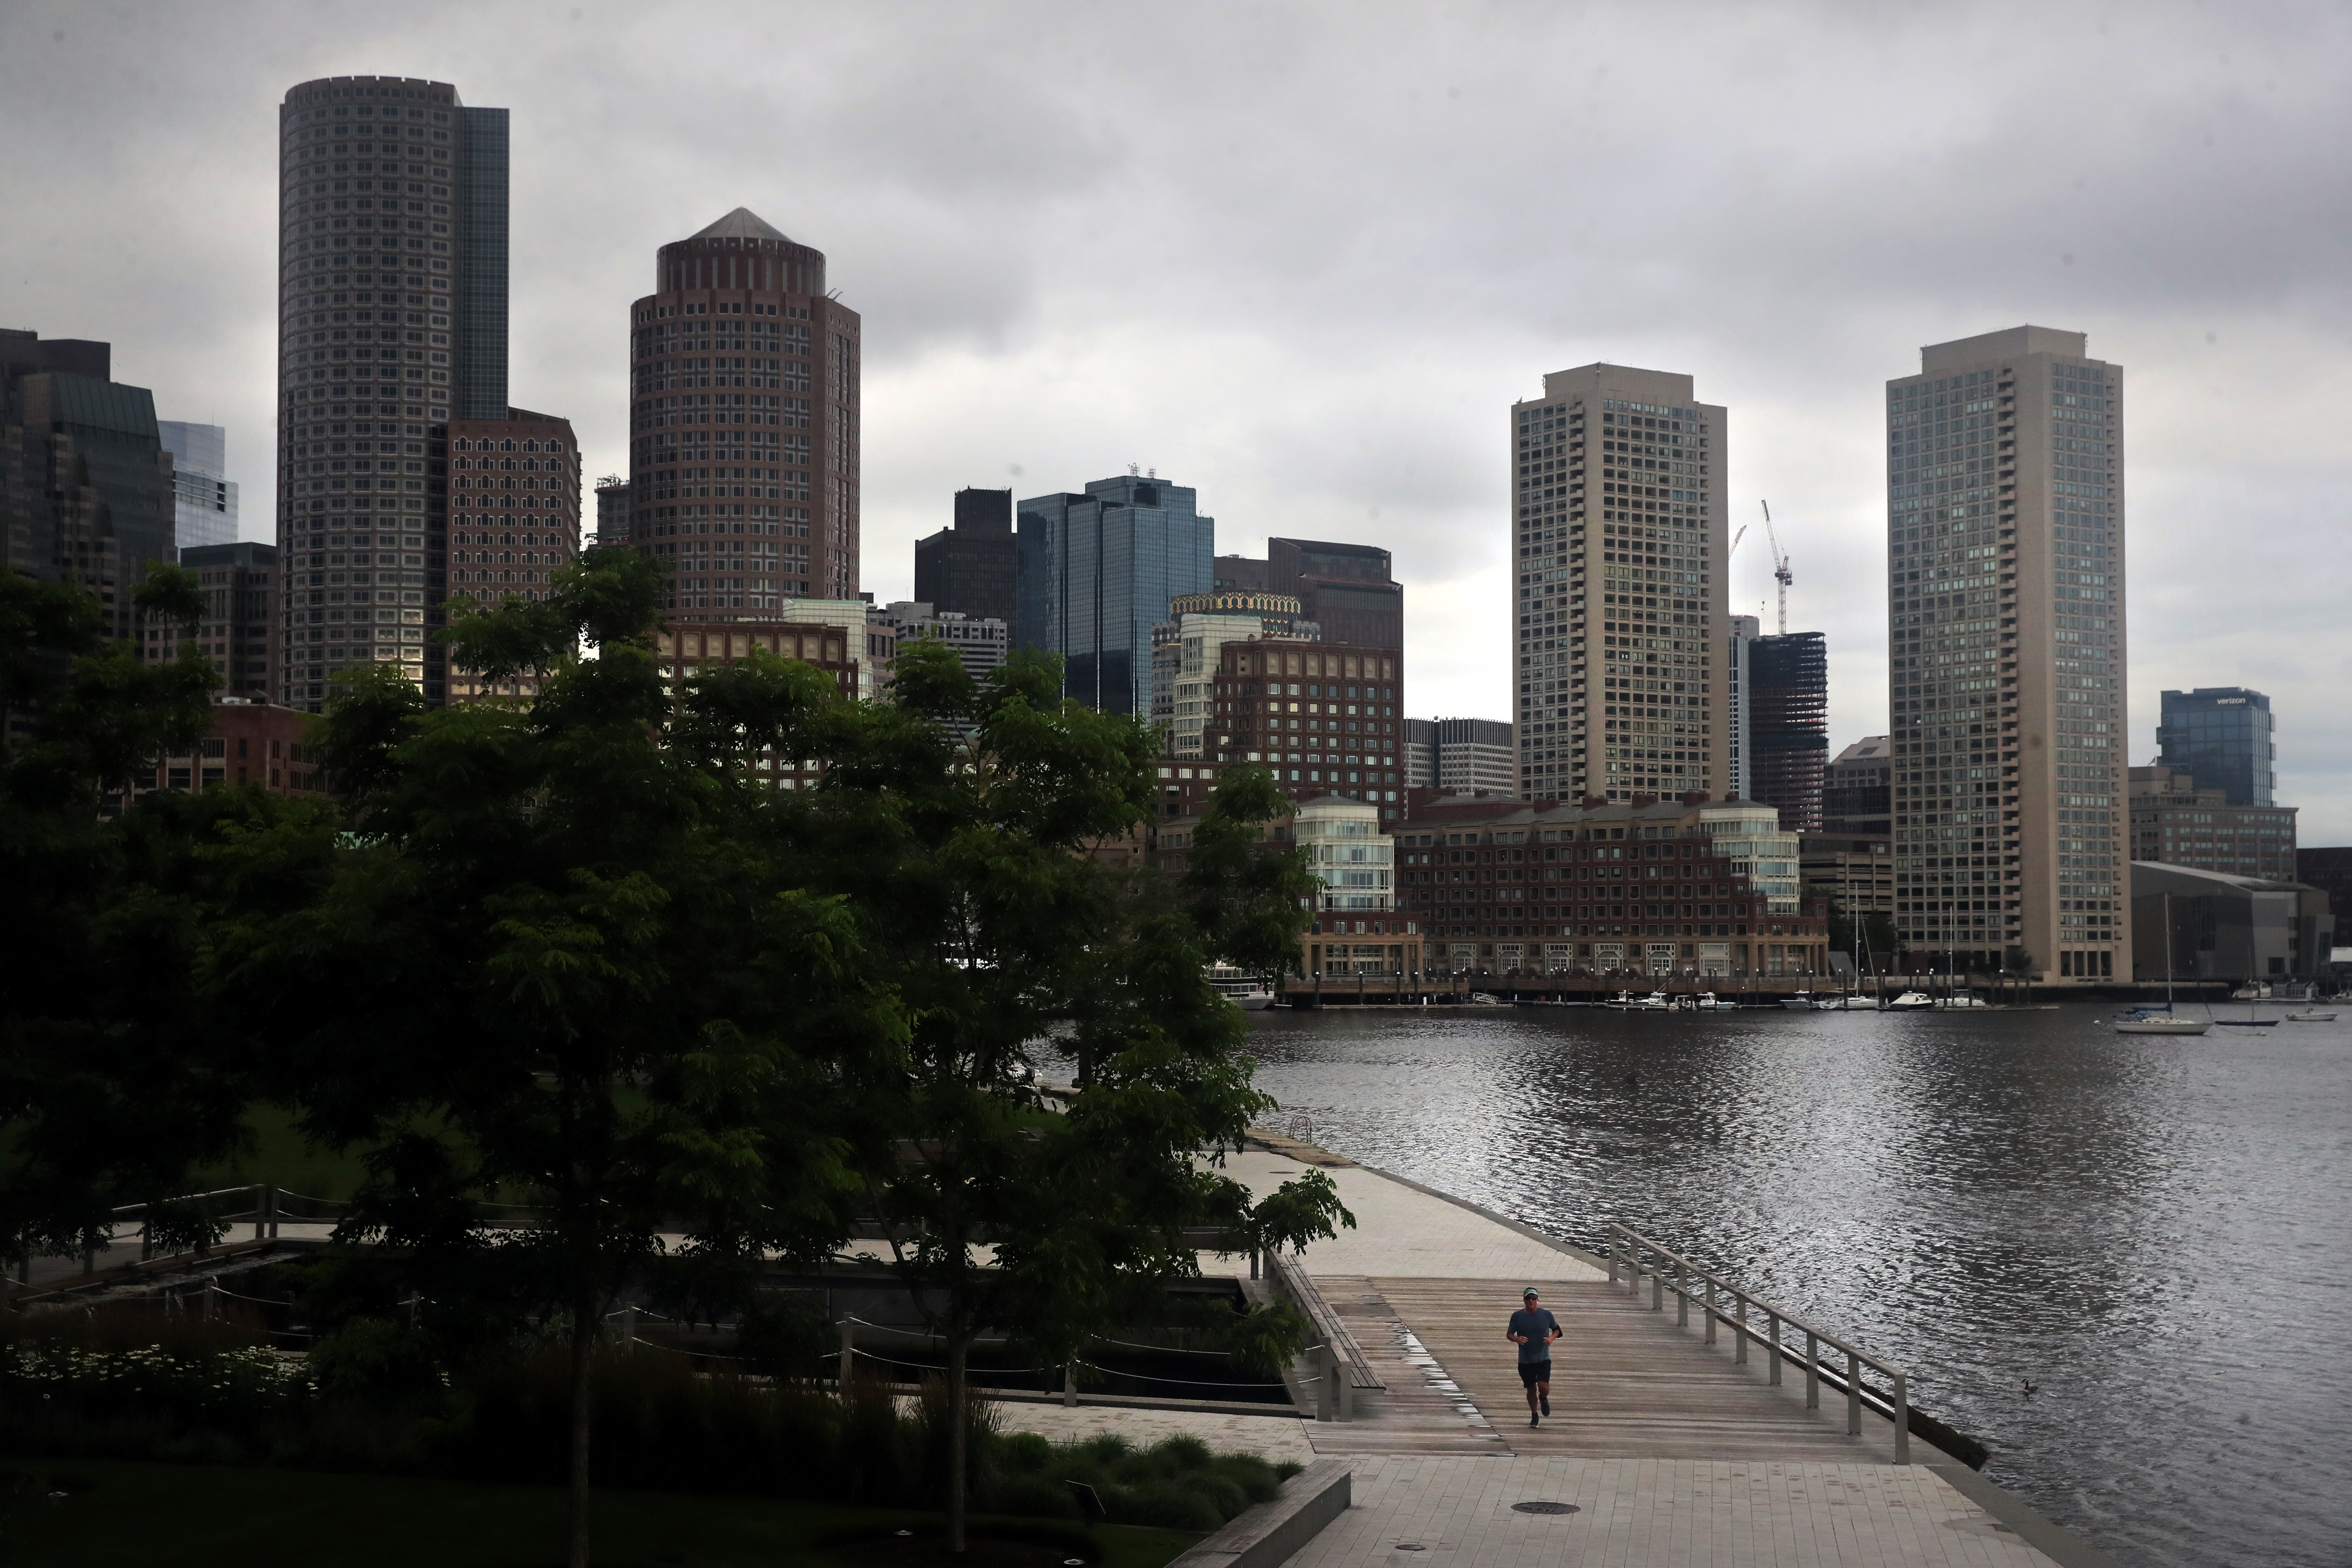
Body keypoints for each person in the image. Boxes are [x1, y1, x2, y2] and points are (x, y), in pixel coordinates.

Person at [1506, 1286, 1561, 1427]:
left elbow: (1557, 1330)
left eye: (1534, 1298)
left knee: (1544, 1387)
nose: (1531, 1301)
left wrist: (1551, 1339)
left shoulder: (1546, 1315)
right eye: (1528, 1299)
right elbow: (1510, 1334)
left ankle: (1543, 1398)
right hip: (1525, 1360)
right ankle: (1534, 1416)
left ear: (1537, 1300)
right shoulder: (1517, 1316)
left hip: (1543, 1358)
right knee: (1531, 1388)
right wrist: (1516, 1339)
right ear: (1524, 1300)